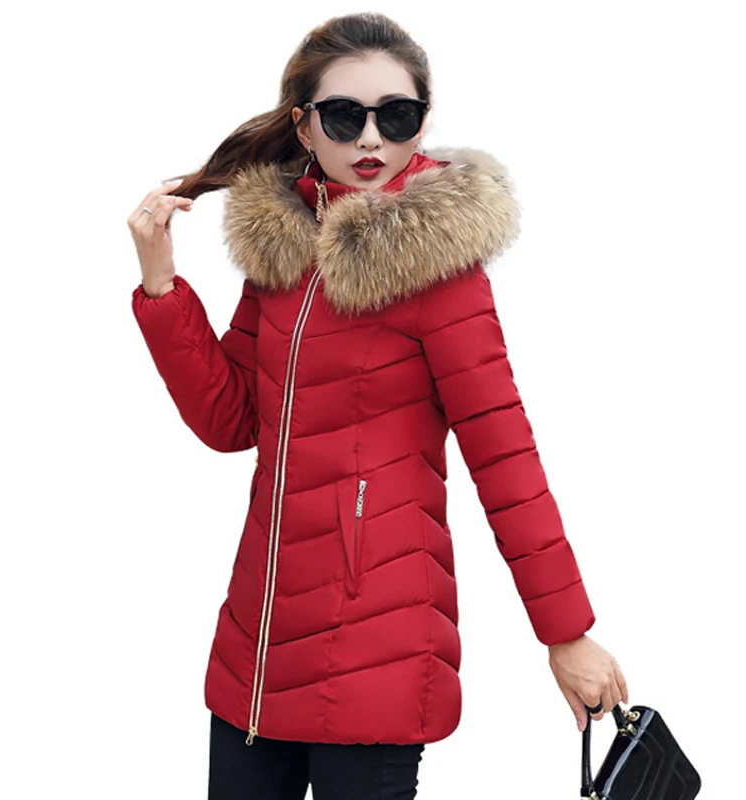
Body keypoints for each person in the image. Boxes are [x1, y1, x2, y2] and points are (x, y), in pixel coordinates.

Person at [127, 11, 629, 800]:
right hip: (258, 647)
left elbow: (504, 455)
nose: (371, 139)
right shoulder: (283, 255)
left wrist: (566, 634)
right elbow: (230, 423)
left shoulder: (439, 271)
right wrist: (161, 287)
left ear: (422, 122)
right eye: (344, 116)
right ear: (304, 125)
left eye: (396, 116)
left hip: (380, 648)